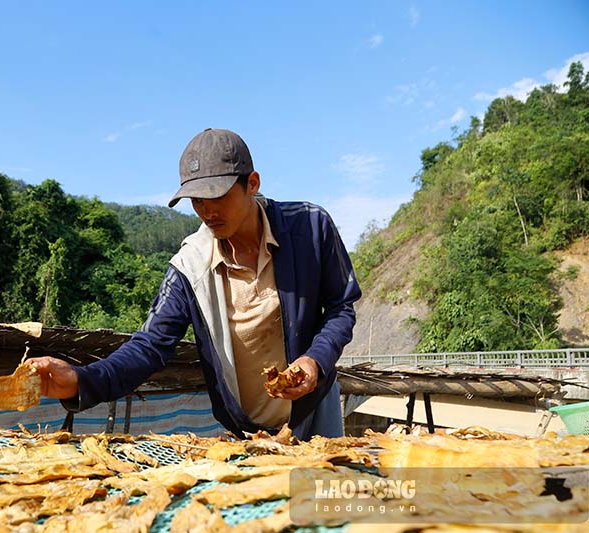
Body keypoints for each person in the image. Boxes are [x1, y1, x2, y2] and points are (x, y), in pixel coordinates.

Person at [27, 128, 361, 440]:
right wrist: (81, 380)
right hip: (246, 431)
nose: (208, 211)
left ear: (252, 183)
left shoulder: (310, 228)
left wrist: (315, 360)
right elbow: (150, 346)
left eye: (218, 196)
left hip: (314, 410)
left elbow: (341, 307)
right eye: (197, 200)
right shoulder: (190, 265)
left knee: (316, 498)